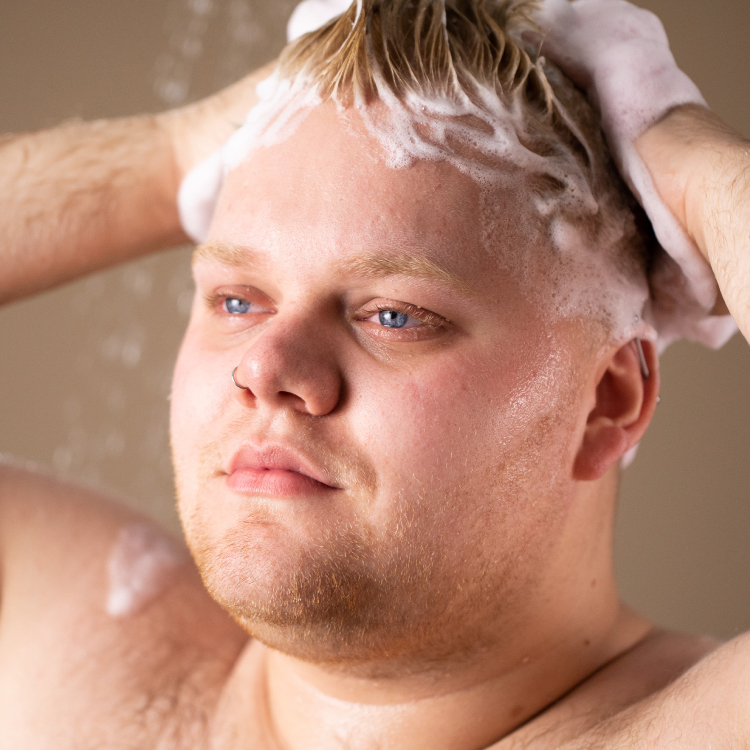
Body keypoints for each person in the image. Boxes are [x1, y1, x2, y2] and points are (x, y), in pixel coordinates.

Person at [0, 0, 748, 747]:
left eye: (393, 315)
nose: (264, 368)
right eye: (237, 301)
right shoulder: (61, 651)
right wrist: (174, 158)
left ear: (607, 401)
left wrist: (697, 169)